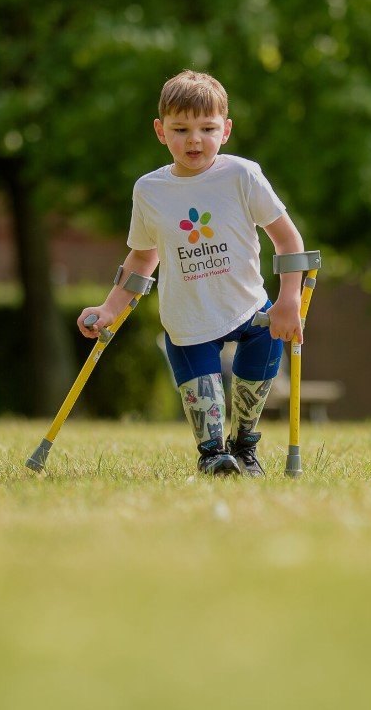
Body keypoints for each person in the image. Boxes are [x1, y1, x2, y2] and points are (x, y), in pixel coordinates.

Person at [78, 70, 305, 477]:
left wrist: (289, 300)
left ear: (227, 130)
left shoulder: (242, 176)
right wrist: (110, 308)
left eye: (207, 128)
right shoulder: (150, 190)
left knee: (262, 356)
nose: (194, 139)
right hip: (188, 319)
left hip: (248, 307)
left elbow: (289, 242)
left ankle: (246, 446)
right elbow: (142, 258)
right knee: (205, 403)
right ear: (160, 131)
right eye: (180, 129)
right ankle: (214, 456)